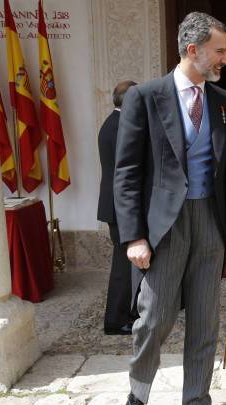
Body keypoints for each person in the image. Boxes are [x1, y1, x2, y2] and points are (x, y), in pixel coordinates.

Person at [114, 12, 226, 405]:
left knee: (205, 323)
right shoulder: (146, 96)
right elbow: (128, 172)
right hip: (165, 227)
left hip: (209, 221)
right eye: (220, 50)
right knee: (154, 317)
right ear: (194, 50)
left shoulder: (224, 101)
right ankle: (138, 394)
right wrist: (135, 236)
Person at [97, 80, 138, 335]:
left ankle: (129, 312)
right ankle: (115, 320)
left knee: (127, 264)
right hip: (120, 207)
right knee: (122, 267)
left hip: (116, 205)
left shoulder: (111, 122)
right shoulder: (122, 125)